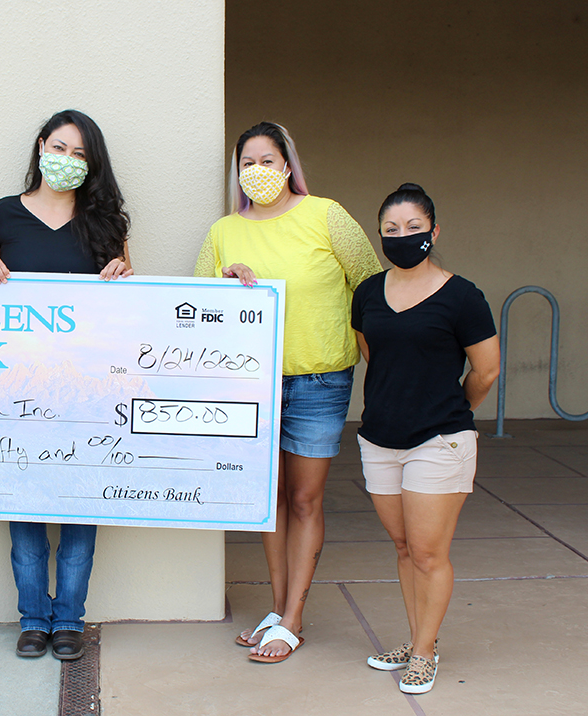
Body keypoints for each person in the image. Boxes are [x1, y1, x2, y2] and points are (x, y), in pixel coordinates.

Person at [194, 122, 382, 663]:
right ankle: (279, 611)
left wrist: (382, 368)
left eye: (268, 160)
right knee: (269, 502)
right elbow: (198, 316)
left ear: (288, 164)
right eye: (247, 162)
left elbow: (369, 287)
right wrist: (226, 287)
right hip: (250, 383)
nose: (258, 171)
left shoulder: (326, 215)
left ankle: (294, 618)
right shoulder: (223, 231)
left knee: (303, 498)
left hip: (319, 380)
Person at [0, 109, 131, 660]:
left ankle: (70, 620)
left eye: (80, 154)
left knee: (81, 512)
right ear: (41, 147)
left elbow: (129, 314)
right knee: (25, 515)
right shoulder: (3, 217)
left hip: (85, 397)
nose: (67, 160)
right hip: (17, 393)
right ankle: (34, 618)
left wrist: (121, 280)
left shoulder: (107, 225)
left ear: (92, 166)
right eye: (59, 147)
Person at [352, 183, 499, 693]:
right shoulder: (368, 292)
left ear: (434, 231)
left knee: (429, 552)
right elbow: (373, 351)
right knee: (404, 547)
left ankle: (423, 652)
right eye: (390, 230)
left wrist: (452, 412)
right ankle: (418, 638)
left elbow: (485, 370)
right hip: (380, 439)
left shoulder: (463, 296)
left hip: (440, 441)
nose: (401, 236)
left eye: (412, 227)